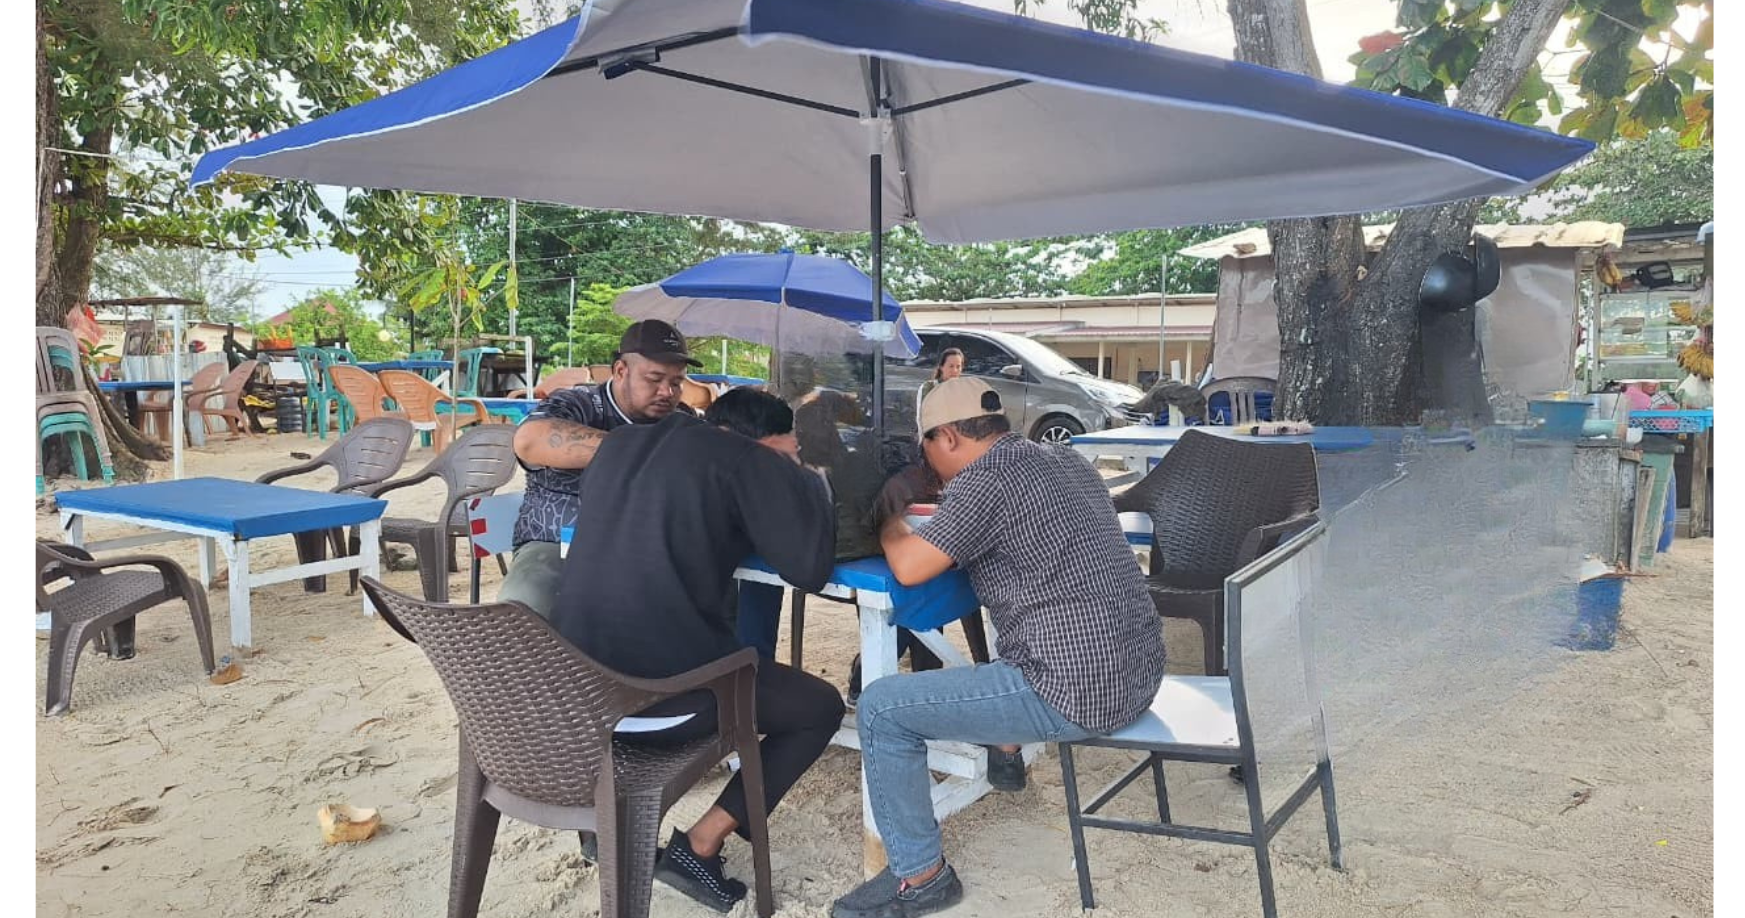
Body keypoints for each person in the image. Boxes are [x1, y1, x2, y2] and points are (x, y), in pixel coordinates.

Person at [831, 377, 1167, 918]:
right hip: (1139, 672)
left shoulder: (984, 481)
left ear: (947, 437)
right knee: (1020, 627)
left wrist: (889, 522)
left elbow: (910, 567)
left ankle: (921, 878)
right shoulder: (1066, 460)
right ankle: (1005, 747)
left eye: (926, 446)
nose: (927, 460)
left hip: (1075, 692)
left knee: (880, 710)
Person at [550, 388, 844, 913]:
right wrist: (809, 480)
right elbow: (809, 569)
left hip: (574, 694)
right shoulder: (746, 458)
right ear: (765, 443)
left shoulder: (620, 445)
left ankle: (602, 827)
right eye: (789, 449)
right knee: (819, 707)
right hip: (654, 702)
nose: (792, 458)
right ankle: (701, 846)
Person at [497, 319, 701, 619]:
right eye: (654, 379)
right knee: (525, 607)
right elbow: (529, 440)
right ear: (620, 371)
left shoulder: (681, 420)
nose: (667, 392)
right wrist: (643, 449)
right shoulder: (577, 404)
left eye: (676, 382)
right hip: (558, 546)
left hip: (650, 551)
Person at [914, 347, 964, 436]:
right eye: (951, 366)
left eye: (958, 366)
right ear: (941, 367)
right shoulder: (929, 387)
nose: (955, 370)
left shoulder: (963, 390)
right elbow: (922, 418)